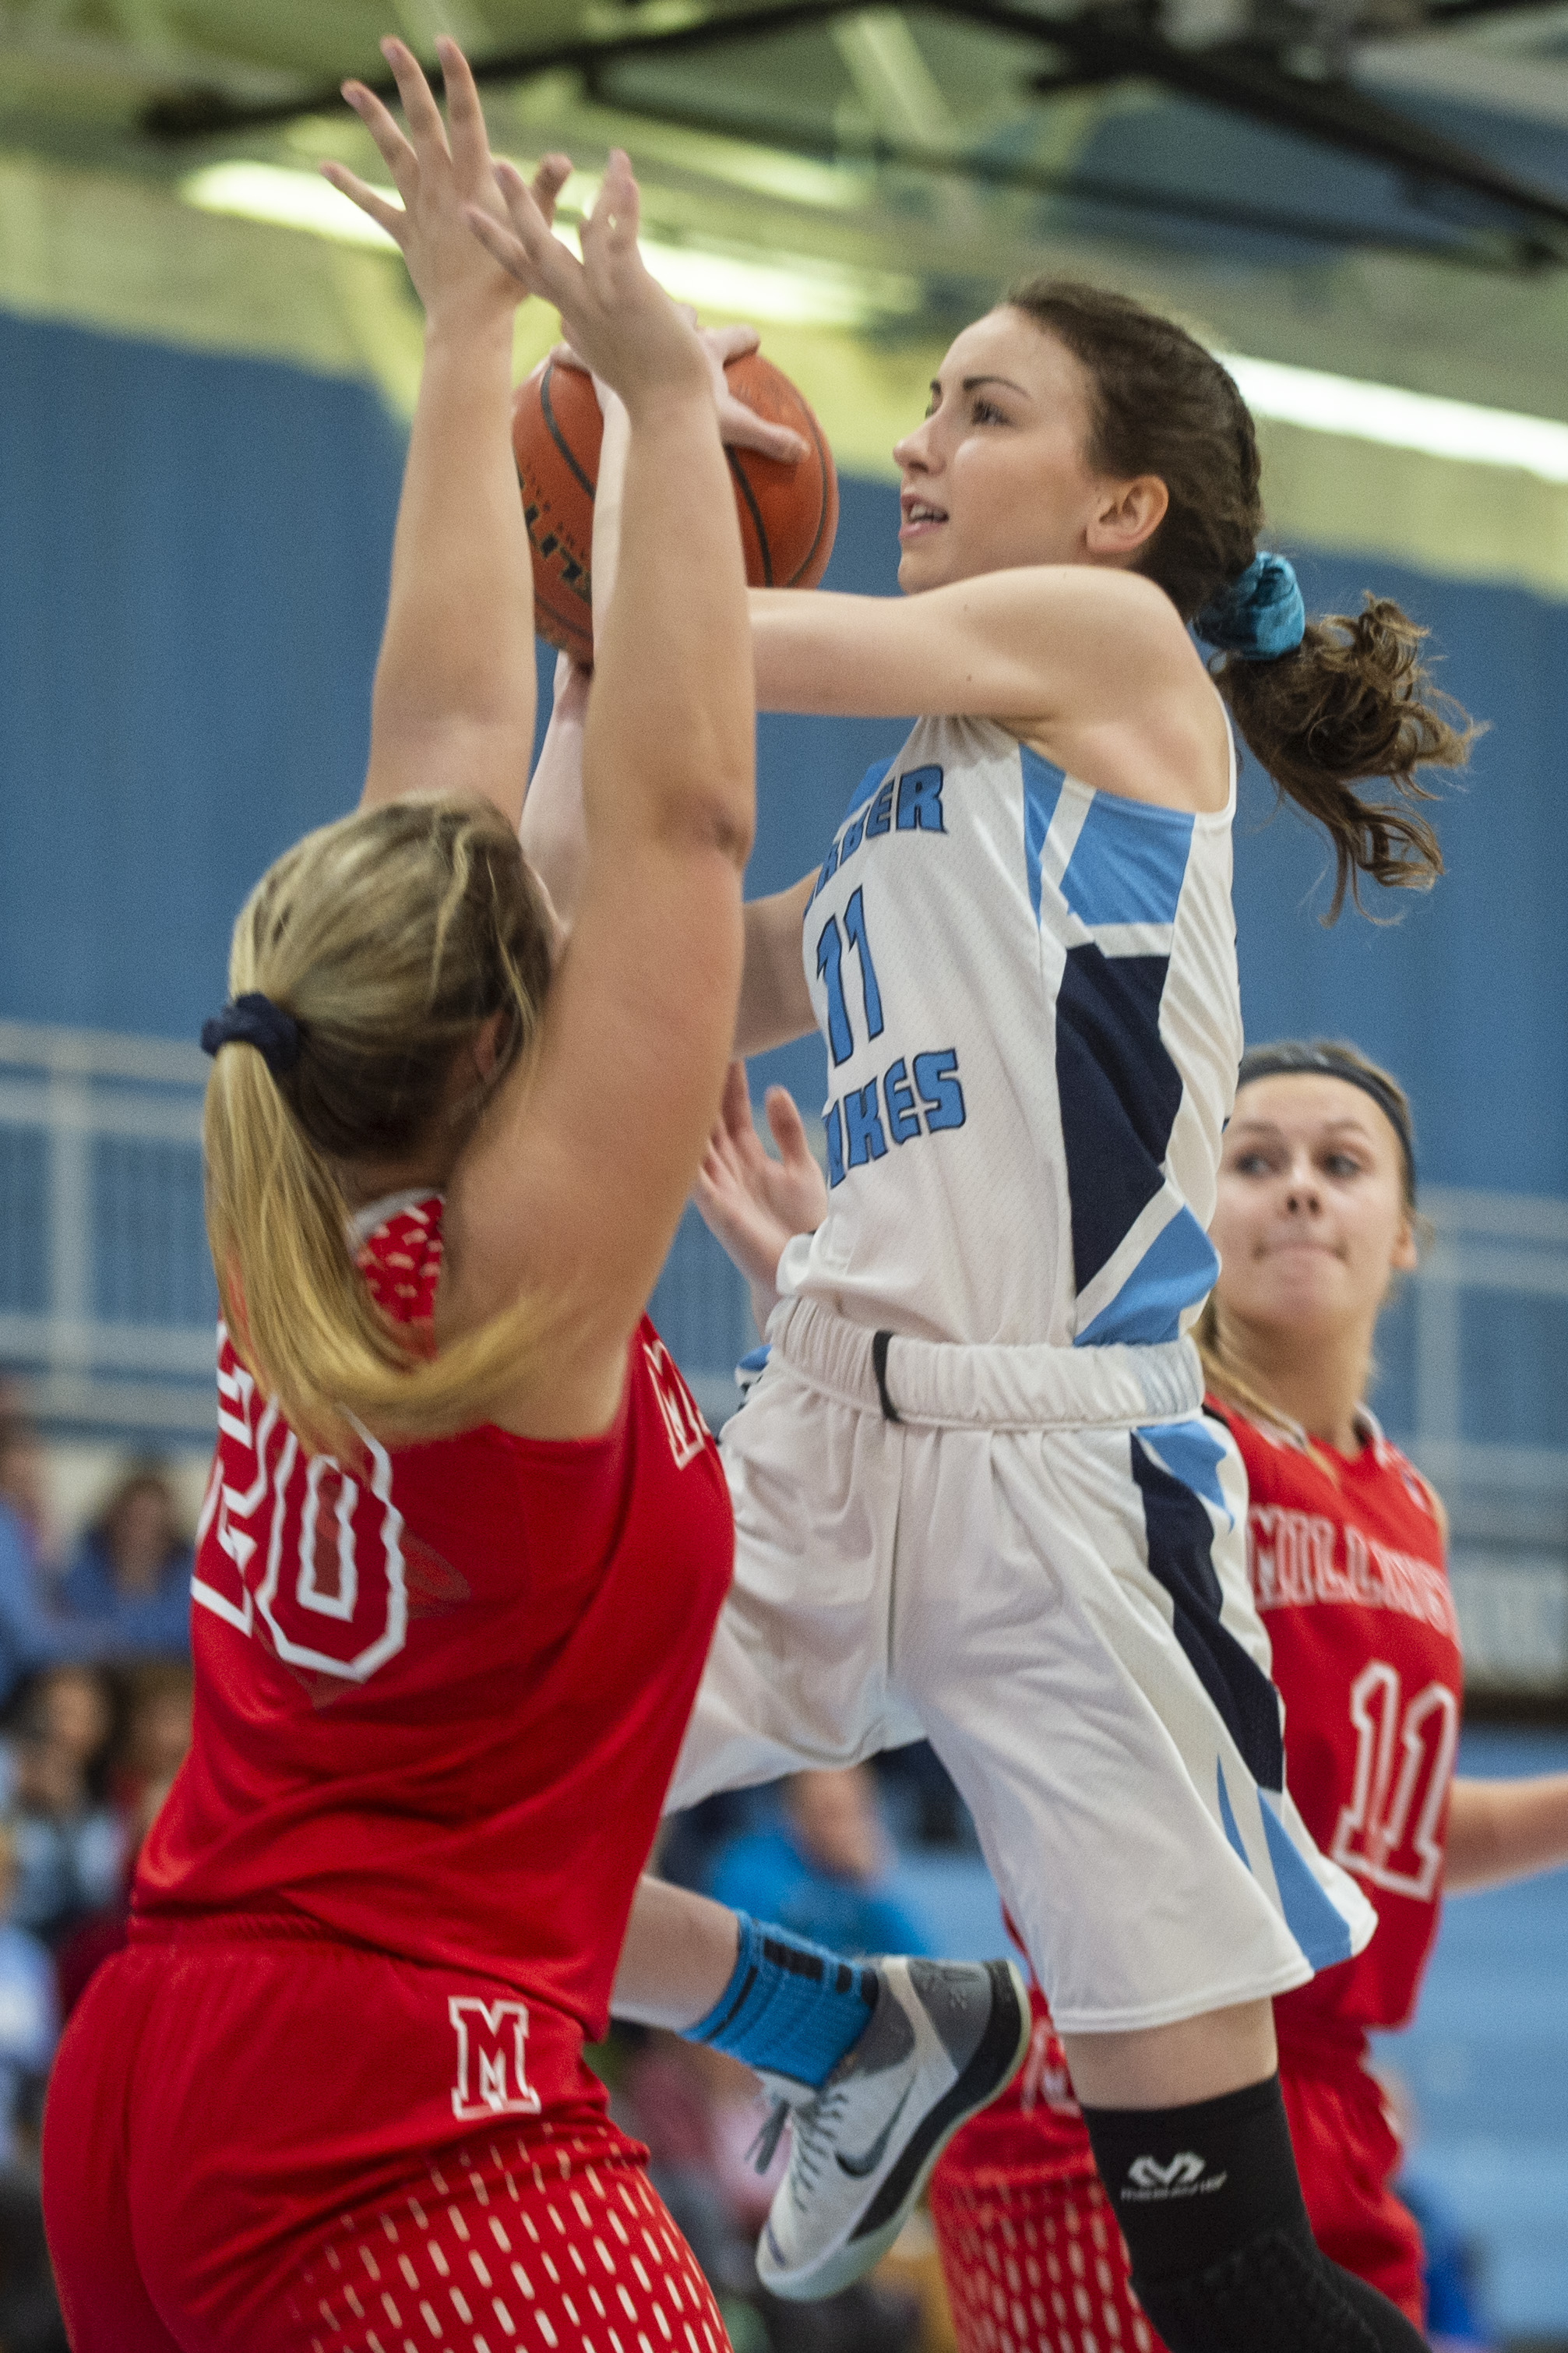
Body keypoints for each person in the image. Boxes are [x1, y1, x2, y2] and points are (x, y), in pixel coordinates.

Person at [480, 189, 1475, 2344]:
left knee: (1218, 2270)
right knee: (451, 1823)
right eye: (920, 401)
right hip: (826, 1445)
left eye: (975, 406)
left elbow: (727, 654)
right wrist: (577, 628)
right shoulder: (894, 847)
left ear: (1118, 508)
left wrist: (644, 445)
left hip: (1064, 1500)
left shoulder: (1115, 662)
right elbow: (576, 932)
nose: (911, 444)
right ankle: (853, 2026)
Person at [40, 40, 770, 2351]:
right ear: (495, 1057)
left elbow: (443, 753)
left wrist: (467, 343)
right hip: (396, 2110)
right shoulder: (532, 1275)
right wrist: (653, 409)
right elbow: (670, 828)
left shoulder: (313, 1198)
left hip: (156, 2071)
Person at [700, 1042, 1568, 2346]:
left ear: (1403, 1238)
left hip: (1322, 2083)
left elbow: (1382, 1829)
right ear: (1189, 1207)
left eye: (1339, 1164)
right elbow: (962, 1414)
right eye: (1253, 1160)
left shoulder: (1412, 1505)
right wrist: (815, 1281)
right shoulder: (1143, 1424)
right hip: (1129, 2068)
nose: (1296, 1191)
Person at [706, 1766, 932, 1960]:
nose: (839, 1829)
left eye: (849, 1812)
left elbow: (919, 1963)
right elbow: (731, 1952)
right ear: (795, 1810)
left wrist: (874, 1887)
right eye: (827, 1811)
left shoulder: (872, 1877)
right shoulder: (748, 1866)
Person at [59, 1464, 193, 1658]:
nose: (139, 1533)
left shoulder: (188, 1576)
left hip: (165, 1668)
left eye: (151, 1523)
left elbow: (187, 1635)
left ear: (168, 1531)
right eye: (133, 1520)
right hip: (98, 1667)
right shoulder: (87, 1568)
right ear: (114, 1521)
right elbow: (68, 1628)